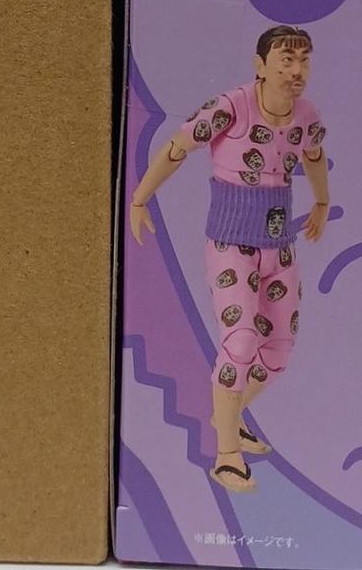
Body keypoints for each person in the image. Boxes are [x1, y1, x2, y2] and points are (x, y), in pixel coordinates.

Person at [130, 25, 330, 495]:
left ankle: (229, 415)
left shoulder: (306, 115)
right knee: (239, 343)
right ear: (261, 65)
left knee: (278, 352)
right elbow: (178, 148)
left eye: (303, 60)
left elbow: (314, 155)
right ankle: (225, 455)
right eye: (285, 59)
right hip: (230, 249)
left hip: (279, 249)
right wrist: (139, 198)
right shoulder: (231, 107)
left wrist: (322, 201)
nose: (296, 70)